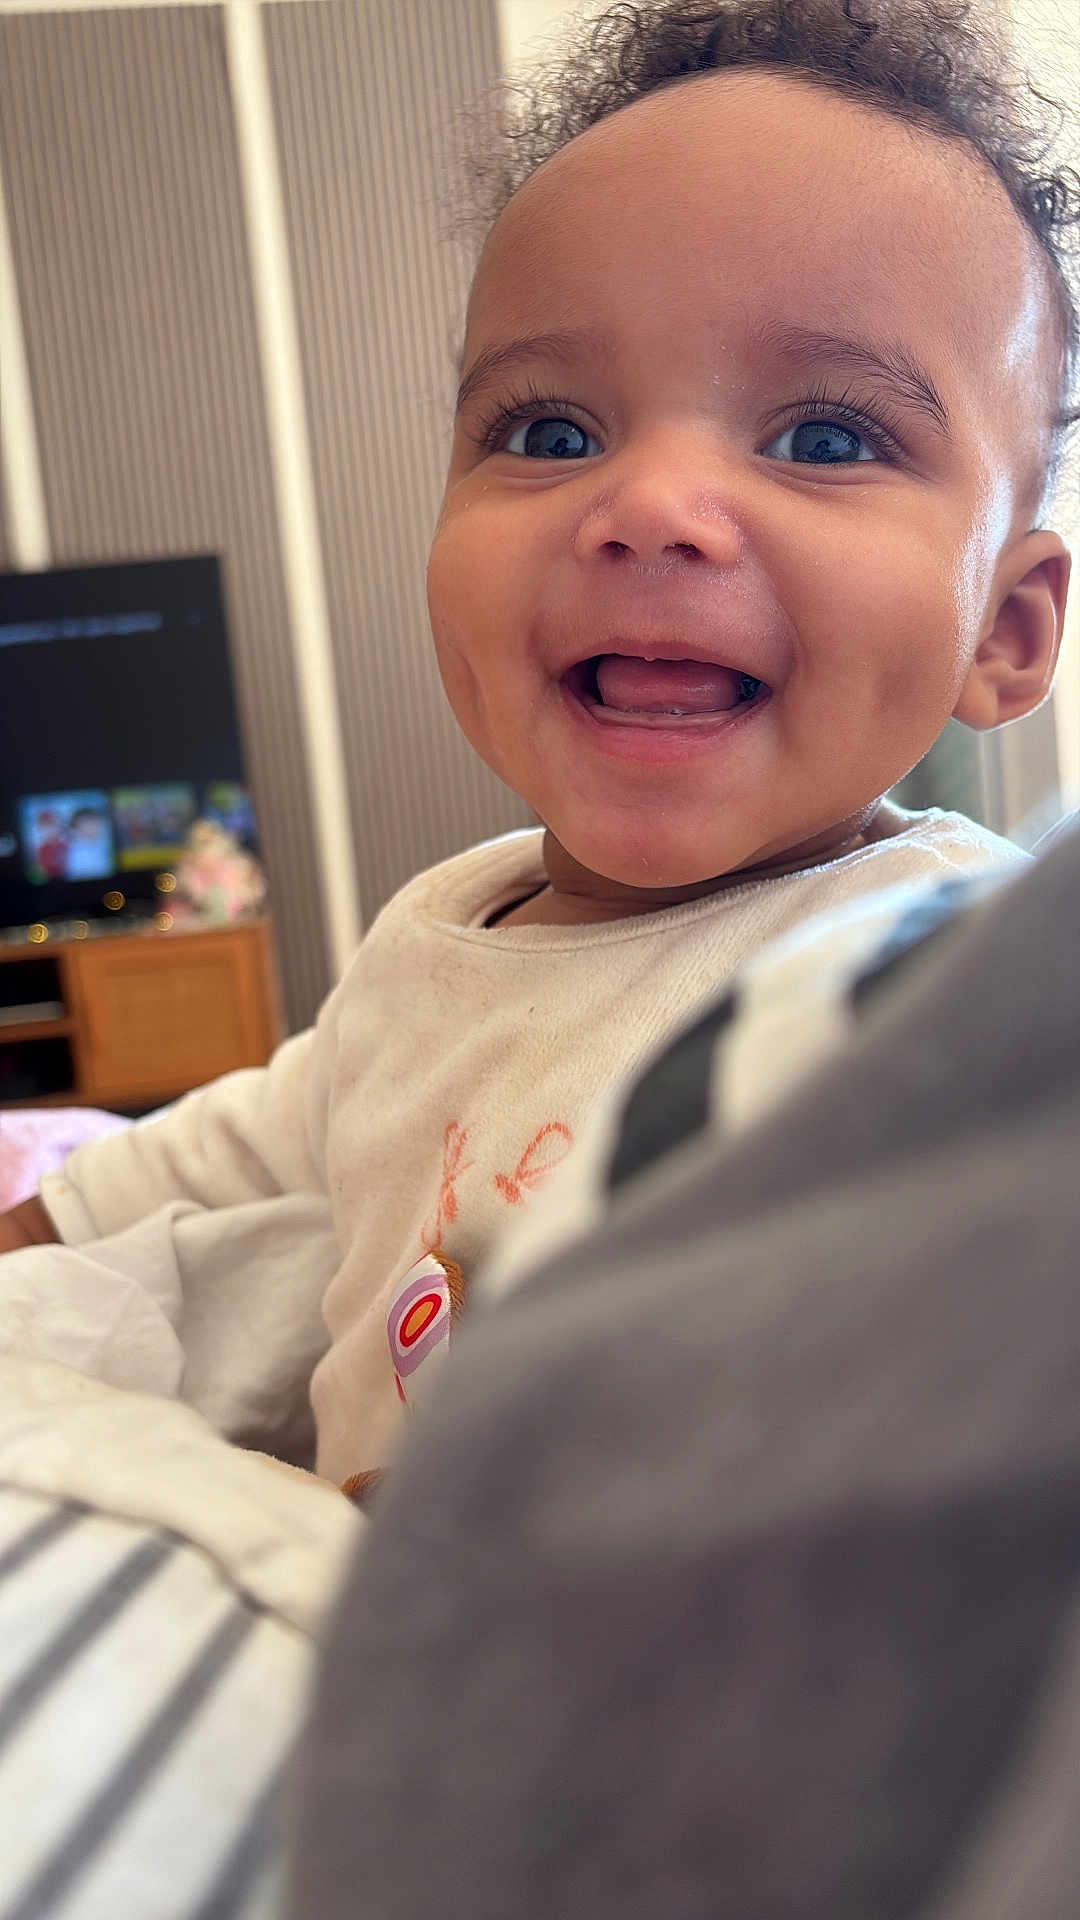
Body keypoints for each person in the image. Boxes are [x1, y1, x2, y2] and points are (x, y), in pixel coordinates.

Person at [0, 0, 1074, 1493]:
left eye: (824, 436)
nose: (650, 504)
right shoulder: (434, 937)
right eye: (553, 429)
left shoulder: (933, 969)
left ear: (1008, 628)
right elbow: (240, 1140)